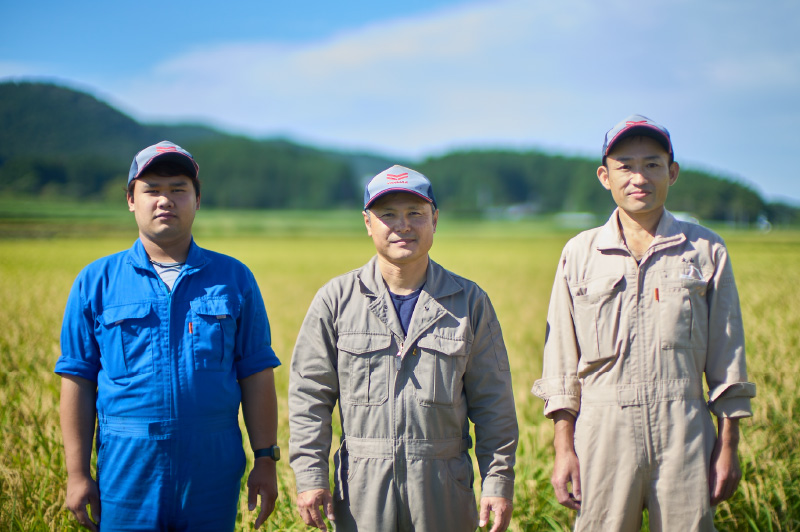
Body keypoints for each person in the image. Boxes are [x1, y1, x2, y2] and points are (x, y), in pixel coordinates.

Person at [532, 115, 756, 531]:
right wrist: (564, 449)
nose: (639, 177)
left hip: (685, 429)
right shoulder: (580, 253)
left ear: (672, 172)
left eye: (652, 165)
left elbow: (729, 357)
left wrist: (728, 446)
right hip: (602, 432)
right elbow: (561, 363)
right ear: (605, 176)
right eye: (625, 166)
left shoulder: (705, 250)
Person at [55, 141, 281, 531]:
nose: (165, 200)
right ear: (131, 199)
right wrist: (77, 475)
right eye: (152, 190)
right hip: (127, 472)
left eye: (178, 189)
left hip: (213, 469)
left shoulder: (233, 278)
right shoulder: (96, 282)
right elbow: (78, 379)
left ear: (197, 200)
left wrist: (265, 458)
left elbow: (256, 373)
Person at [288, 165, 518, 532]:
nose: (403, 226)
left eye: (415, 214)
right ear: (367, 222)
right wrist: (311, 476)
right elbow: (309, 397)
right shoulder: (336, 300)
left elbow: (494, 403)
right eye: (388, 215)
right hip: (361, 488)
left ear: (435, 219)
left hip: (443, 487)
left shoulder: (468, 301)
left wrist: (498, 481)